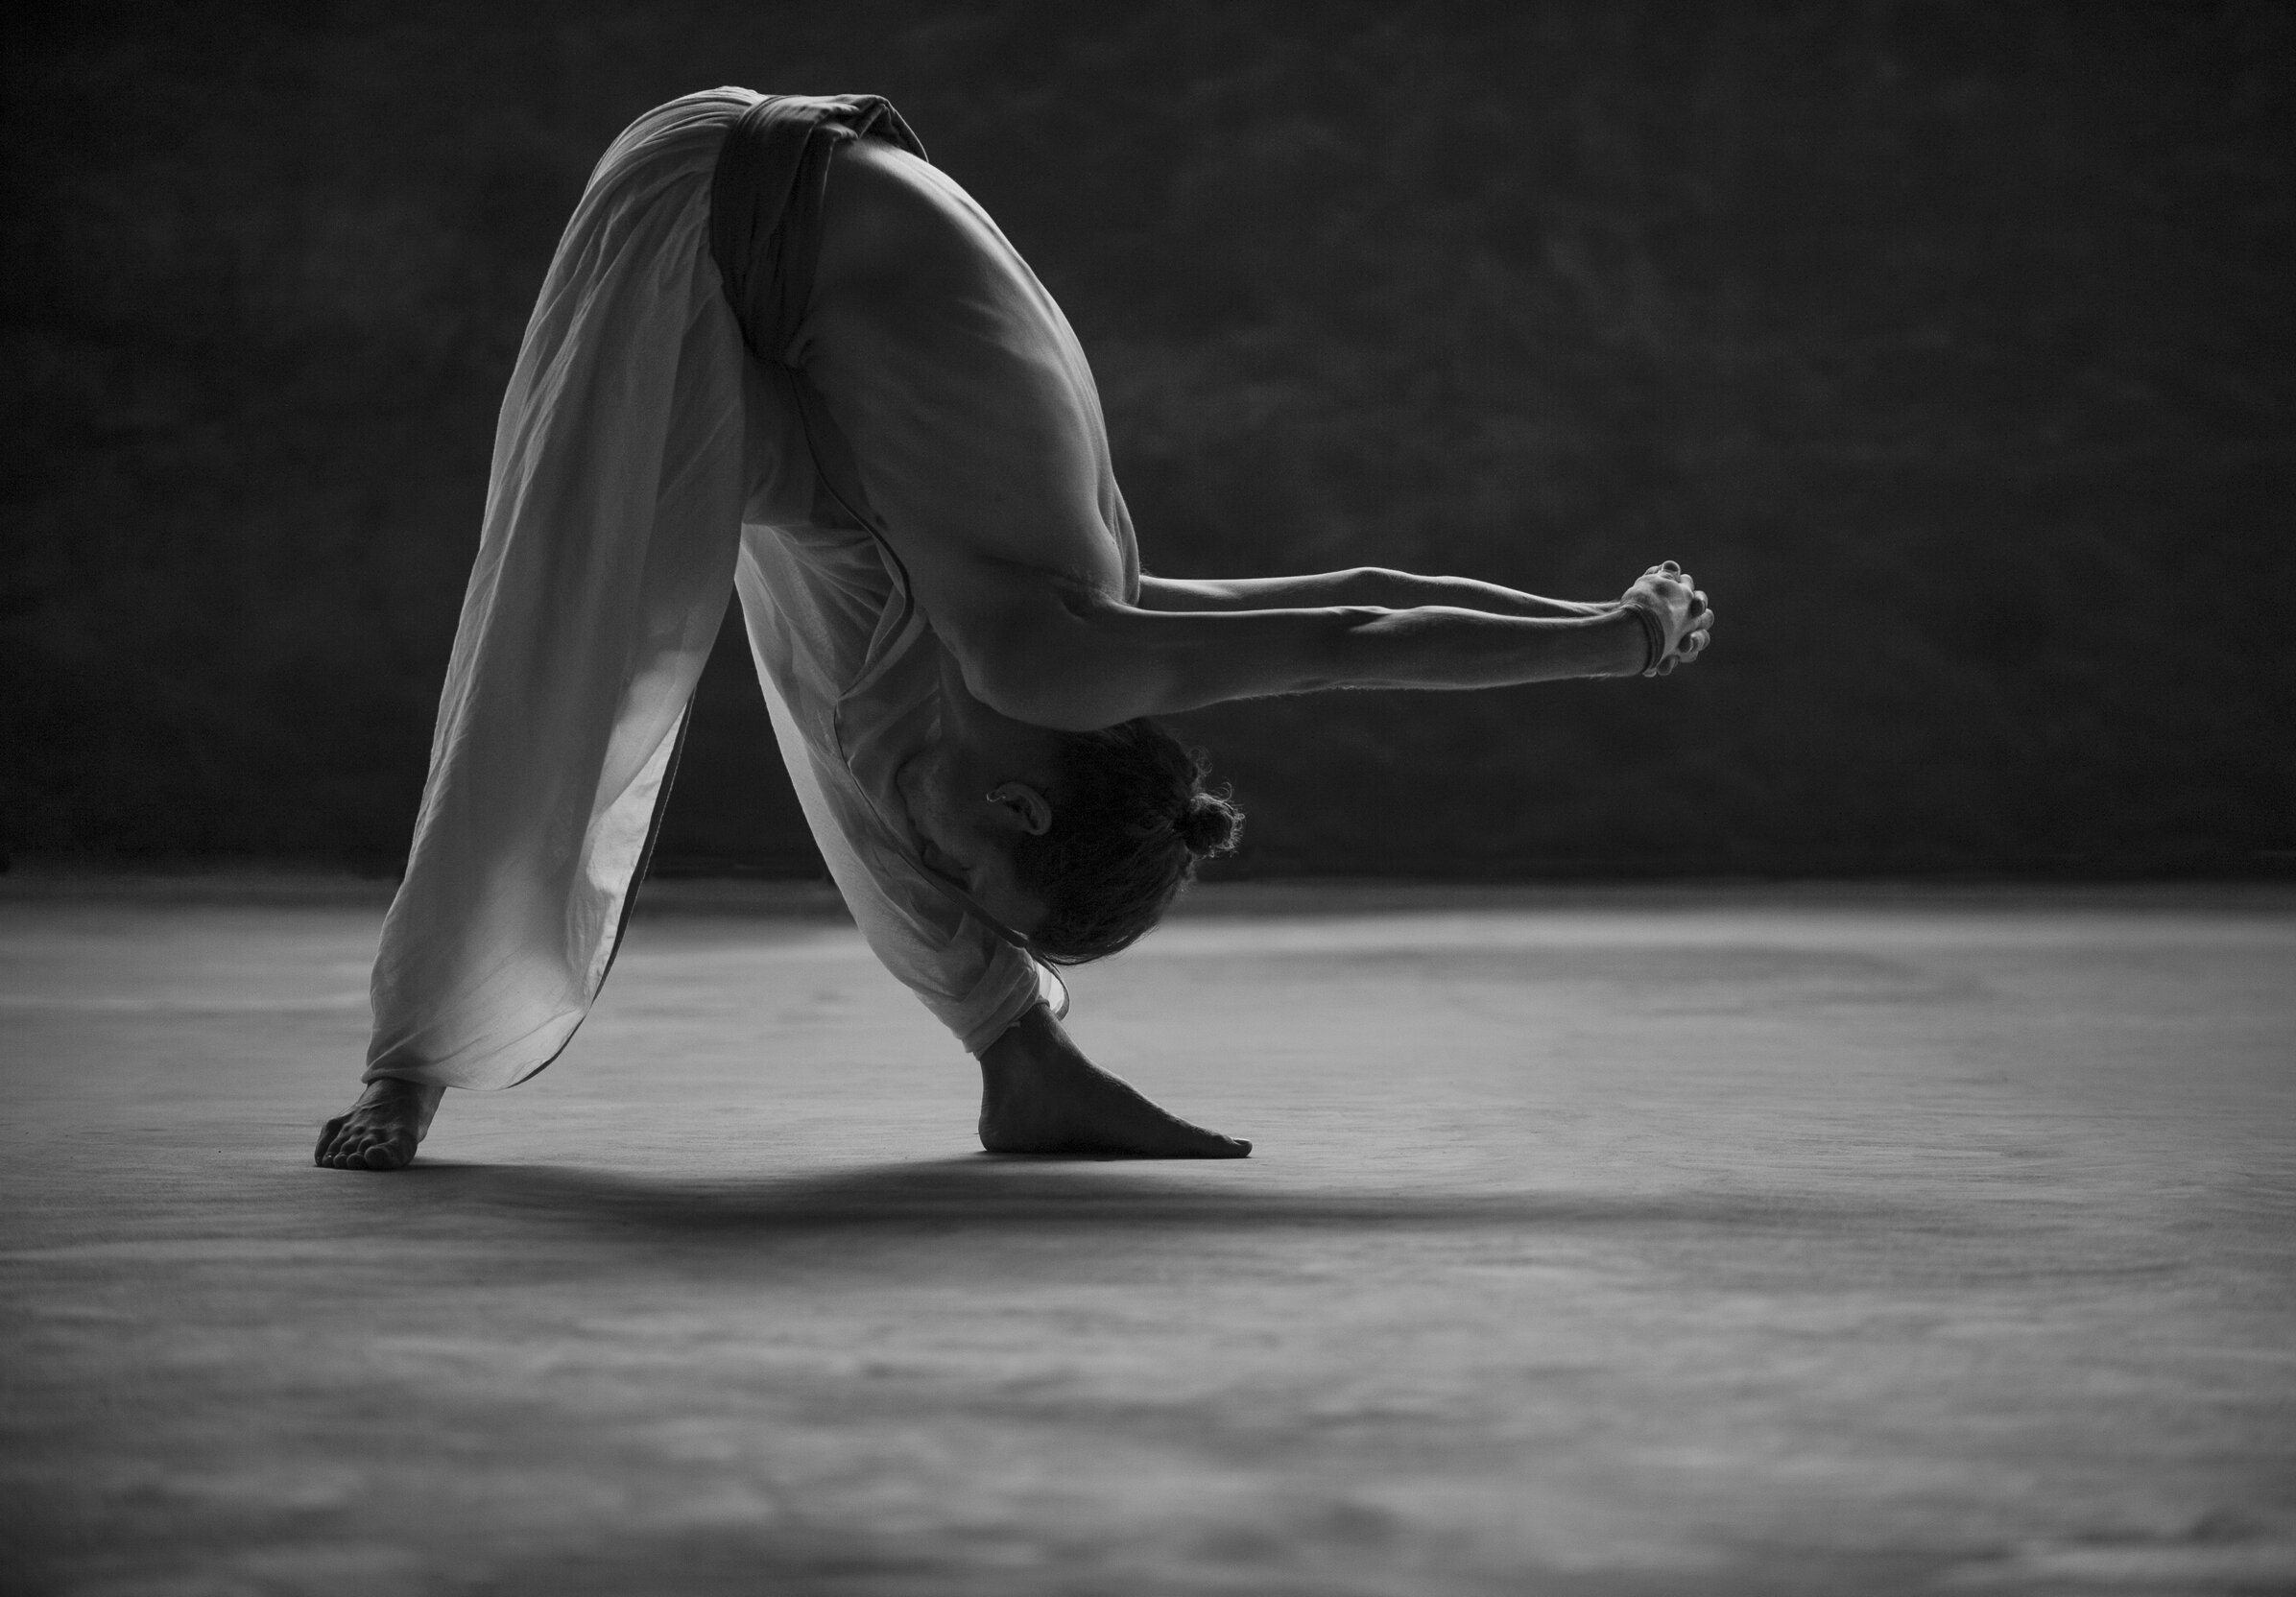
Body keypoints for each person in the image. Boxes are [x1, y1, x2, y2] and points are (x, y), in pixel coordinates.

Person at [315, 89, 1714, 1173]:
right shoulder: (1048, 660)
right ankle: (415, 1061)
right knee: (573, 632)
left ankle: (1019, 1055)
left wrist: (1610, 613)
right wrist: (1611, 642)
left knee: (859, 668)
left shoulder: (1082, 614)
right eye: (973, 868)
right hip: (701, 198)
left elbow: (1343, 590)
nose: (936, 859)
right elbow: (1355, 633)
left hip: (794, 304)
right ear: (1019, 798)